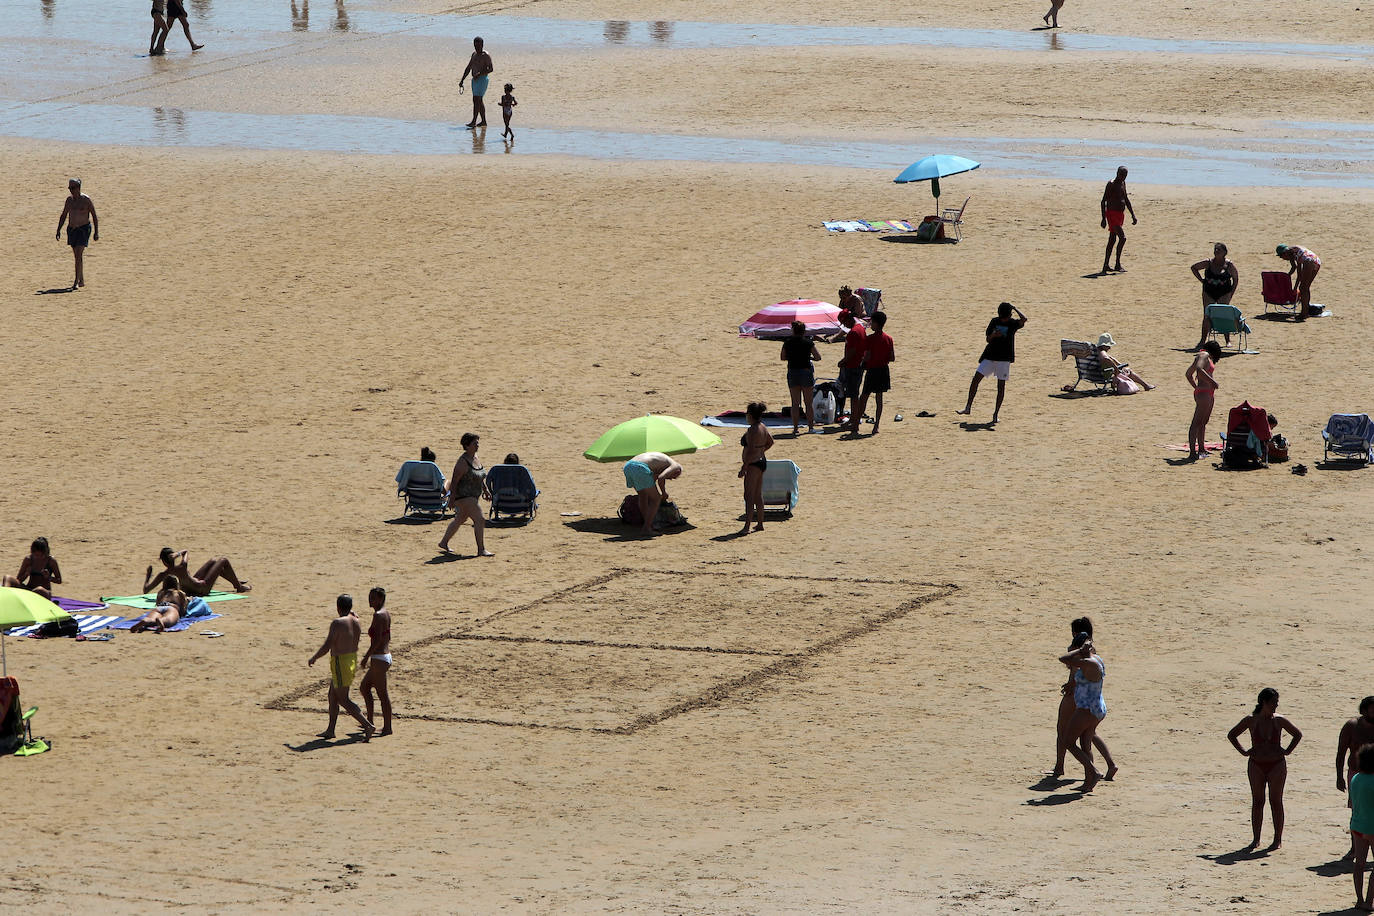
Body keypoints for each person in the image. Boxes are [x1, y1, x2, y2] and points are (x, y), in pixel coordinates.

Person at [1227, 687, 1302, 850]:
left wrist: (1287, 751)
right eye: (1273, 703)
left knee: (1276, 801)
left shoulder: (1279, 720)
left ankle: (1277, 839)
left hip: (1277, 765)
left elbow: (1297, 734)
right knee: (1258, 801)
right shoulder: (1250, 720)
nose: (1276, 706)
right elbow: (1232, 735)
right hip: (1256, 765)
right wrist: (1244, 752)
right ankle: (1256, 839)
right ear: (1264, 702)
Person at [1052, 617, 1118, 781]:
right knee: (1088, 736)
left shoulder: (1083, 656)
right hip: (1096, 704)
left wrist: (1071, 683)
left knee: (1064, 734)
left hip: (1083, 702)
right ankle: (1105, 767)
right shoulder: (1095, 654)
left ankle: (1063, 767)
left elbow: (1069, 664)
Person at [307, 594, 375, 740]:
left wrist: (314, 657)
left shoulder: (337, 623)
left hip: (340, 662)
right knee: (332, 695)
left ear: (338, 607)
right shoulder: (356, 619)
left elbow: (327, 645)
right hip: (350, 660)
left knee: (343, 699)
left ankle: (367, 725)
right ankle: (331, 730)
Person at [957, 302, 1026, 424]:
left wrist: (1015, 308)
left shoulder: (1012, 323)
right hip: (990, 357)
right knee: (975, 380)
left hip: (1004, 360)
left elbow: (1024, 319)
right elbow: (988, 339)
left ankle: (995, 414)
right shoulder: (994, 321)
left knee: (1000, 387)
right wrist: (994, 335)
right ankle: (968, 407)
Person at [1058, 632, 1110, 792]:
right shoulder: (1096, 659)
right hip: (1096, 706)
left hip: (1087, 709)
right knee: (1085, 743)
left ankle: (1093, 772)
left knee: (1068, 742)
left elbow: (1064, 659)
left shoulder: (1088, 661)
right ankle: (1089, 782)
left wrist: (1079, 650)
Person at [438, 432, 494, 556]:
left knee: (460, 519)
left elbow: (479, 476)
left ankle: (443, 542)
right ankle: (481, 549)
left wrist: (485, 490)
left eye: (478, 442)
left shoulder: (475, 457)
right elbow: (454, 481)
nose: (477, 445)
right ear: (467, 446)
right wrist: (451, 499)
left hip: (473, 496)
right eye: (475, 443)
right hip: (463, 496)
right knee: (479, 519)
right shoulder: (462, 462)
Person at [1337, 699, 1374, 860]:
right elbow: (1341, 752)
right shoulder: (1352, 726)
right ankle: (1355, 848)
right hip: (1356, 774)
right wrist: (1339, 776)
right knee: (1357, 811)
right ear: (1364, 711)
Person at [851, 310, 894, 435]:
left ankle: (856, 424)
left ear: (876, 323)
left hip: (872, 370)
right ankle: (876, 425)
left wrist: (862, 363)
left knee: (864, 397)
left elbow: (867, 356)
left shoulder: (870, 339)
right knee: (879, 398)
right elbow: (892, 357)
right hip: (883, 370)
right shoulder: (888, 339)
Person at [144, 547, 251, 596]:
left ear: (163, 562)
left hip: (191, 590)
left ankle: (235, 581)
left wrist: (148, 576)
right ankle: (238, 587)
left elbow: (146, 590)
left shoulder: (163, 575)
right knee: (223, 560)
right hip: (202, 589)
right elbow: (186, 551)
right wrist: (178, 554)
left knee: (213, 561)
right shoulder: (182, 566)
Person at [358, 586, 393, 737]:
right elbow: (386, 637)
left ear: (380, 599)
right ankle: (369, 721)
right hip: (383, 657)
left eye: (373, 597)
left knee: (382, 695)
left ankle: (387, 728)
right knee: (364, 688)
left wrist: (366, 657)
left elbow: (377, 640)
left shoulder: (378, 615)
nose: (370, 600)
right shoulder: (386, 613)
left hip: (379, 658)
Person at [621, 451, 682, 536]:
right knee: (656, 499)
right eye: (673, 477)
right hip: (640, 468)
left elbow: (656, 478)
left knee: (643, 496)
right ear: (677, 472)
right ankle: (646, 528)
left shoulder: (663, 462)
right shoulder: (675, 466)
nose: (671, 479)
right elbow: (661, 478)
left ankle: (648, 523)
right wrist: (663, 493)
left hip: (628, 466)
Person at [1191, 243, 1239, 348]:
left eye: (1219, 250)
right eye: (1215, 249)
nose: (1216, 251)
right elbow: (1194, 267)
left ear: (1225, 252)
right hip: (1208, 292)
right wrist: (1202, 281)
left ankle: (1227, 340)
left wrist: (1231, 293)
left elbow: (1235, 279)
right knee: (1207, 315)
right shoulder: (1208, 263)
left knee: (1224, 314)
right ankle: (1202, 341)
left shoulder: (1229, 265)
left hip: (1224, 292)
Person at [737, 401, 774, 535]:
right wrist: (762, 451)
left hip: (753, 463)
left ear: (751, 415)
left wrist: (744, 467)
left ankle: (747, 526)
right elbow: (770, 442)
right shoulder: (763, 427)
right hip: (761, 461)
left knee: (749, 496)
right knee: (758, 494)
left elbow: (751, 449)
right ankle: (760, 523)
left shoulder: (753, 429)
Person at [780, 320, 820, 435]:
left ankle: (796, 428)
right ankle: (810, 427)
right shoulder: (808, 343)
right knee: (808, 402)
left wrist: (792, 357)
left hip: (793, 371)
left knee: (795, 403)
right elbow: (818, 357)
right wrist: (809, 358)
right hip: (805, 371)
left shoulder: (788, 342)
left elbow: (783, 357)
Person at [56, 178, 97, 290]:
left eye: (73, 188)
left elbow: (94, 215)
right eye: (69, 188)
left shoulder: (86, 200)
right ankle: (81, 279)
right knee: (77, 256)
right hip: (72, 230)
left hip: (83, 229)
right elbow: (64, 215)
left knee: (78, 254)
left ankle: (76, 282)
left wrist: (96, 232)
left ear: (78, 188)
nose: (71, 190)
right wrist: (58, 229)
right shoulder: (69, 201)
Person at [1186, 341, 1222, 460]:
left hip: (1206, 392)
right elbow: (1199, 369)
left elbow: (1188, 374)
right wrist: (1212, 382)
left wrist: (1196, 387)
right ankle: (1192, 452)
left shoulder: (1202, 356)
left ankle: (1201, 448)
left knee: (1203, 422)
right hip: (1204, 393)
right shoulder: (1203, 355)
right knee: (1196, 423)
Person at [1348, 743, 1374, 910]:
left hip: (1357, 825)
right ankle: (1369, 901)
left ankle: (1359, 899)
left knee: (1359, 864)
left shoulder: (1356, 778)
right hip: (1372, 827)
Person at [1100, 167, 1136, 273]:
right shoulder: (1111, 184)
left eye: (1125, 175)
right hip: (1112, 215)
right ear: (1117, 173)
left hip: (1120, 215)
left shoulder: (1123, 183)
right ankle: (1117, 264)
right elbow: (1103, 201)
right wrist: (1103, 218)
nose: (1123, 177)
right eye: (1122, 174)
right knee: (1122, 238)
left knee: (1112, 240)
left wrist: (1133, 215)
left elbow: (1126, 199)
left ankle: (1106, 265)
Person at [1276, 244, 1322, 319]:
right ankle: (1305, 311)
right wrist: (1287, 277)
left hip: (1309, 261)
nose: (1283, 259)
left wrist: (1295, 287)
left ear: (1284, 253)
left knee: (1303, 288)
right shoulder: (1292, 252)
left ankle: (1304, 313)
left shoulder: (1293, 252)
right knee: (1305, 287)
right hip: (1316, 260)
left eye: (1281, 256)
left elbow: (1299, 274)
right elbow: (1294, 267)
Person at [836, 310, 866, 420]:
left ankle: (854, 419)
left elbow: (852, 352)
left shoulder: (853, 332)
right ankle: (855, 418)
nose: (844, 326)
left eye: (844, 323)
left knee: (853, 395)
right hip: (858, 364)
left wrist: (843, 361)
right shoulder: (861, 328)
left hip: (853, 366)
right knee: (854, 394)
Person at [459, 37, 493, 129]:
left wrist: (480, 73)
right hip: (474, 80)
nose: (476, 47)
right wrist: (462, 80)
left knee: (476, 99)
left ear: (482, 45)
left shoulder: (485, 55)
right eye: (475, 45)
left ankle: (474, 121)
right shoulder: (474, 54)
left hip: (482, 79)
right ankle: (483, 121)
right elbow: (468, 67)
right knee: (479, 100)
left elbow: (491, 69)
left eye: (478, 45)